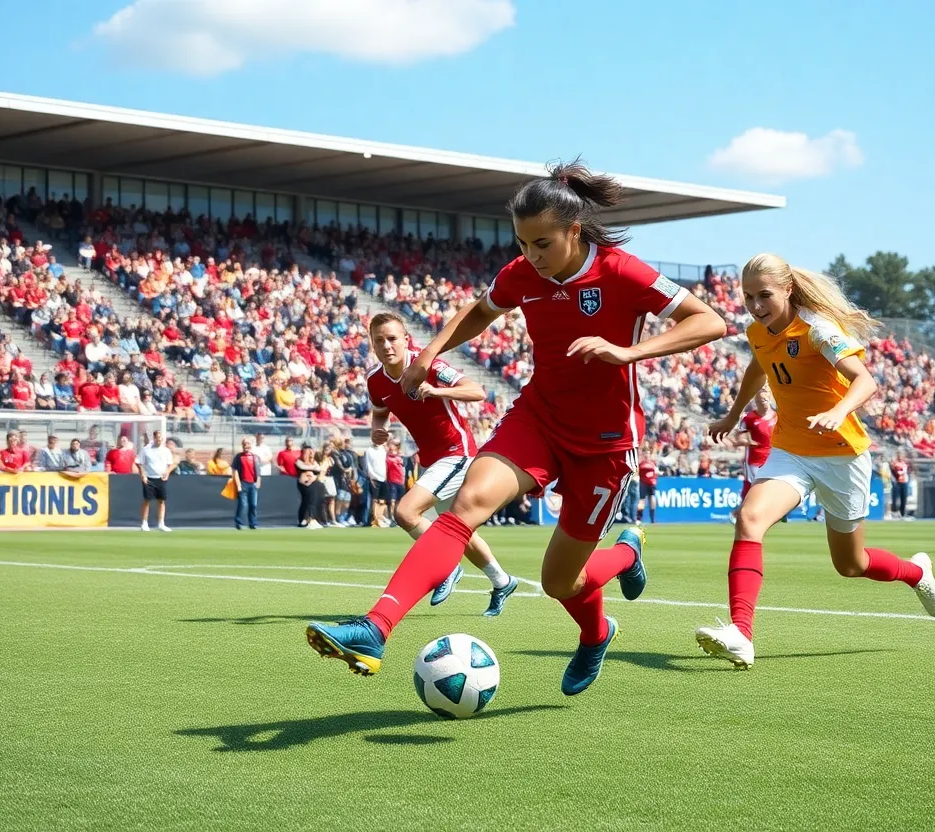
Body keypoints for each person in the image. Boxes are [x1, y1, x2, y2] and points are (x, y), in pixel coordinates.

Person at [307, 159, 726, 694]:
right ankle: (375, 627)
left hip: (605, 444)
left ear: (574, 231)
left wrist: (628, 351)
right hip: (538, 418)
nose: (531, 256)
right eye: (523, 243)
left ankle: (614, 585)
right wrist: (428, 352)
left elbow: (709, 320)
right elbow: (480, 311)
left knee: (559, 582)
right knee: (464, 509)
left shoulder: (623, 270)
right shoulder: (522, 273)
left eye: (543, 243)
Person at [696, 253, 935, 670]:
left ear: (788, 290)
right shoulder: (758, 331)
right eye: (748, 296)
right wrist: (734, 413)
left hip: (841, 454)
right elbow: (759, 366)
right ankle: (741, 634)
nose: (755, 305)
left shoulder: (818, 329)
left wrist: (839, 411)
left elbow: (866, 380)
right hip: (790, 450)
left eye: (764, 296)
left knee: (851, 564)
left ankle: (917, 573)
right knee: (749, 519)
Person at [363, 311, 519, 615]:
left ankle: (445, 568)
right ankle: (502, 581)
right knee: (461, 530)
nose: (387, 345)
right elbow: (380, 410)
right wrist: (377, 429)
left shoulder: (428, 366)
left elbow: (477, 391)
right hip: (432, 460)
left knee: (406, 513)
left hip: (457, 453)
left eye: (392, 338)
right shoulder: (375, 380)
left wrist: (436, 390)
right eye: (379, 340)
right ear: (372, 344)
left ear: (406, 339)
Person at [138, 429, 174, 532]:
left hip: (161, 478)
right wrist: (143, 475)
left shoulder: (166, 450)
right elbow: (139, 462)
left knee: (161, 501)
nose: (159, 441)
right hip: (149, 477)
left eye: (161, 439)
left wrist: (167, 473)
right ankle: (144, 523)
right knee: (147, 500)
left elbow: (170, 463)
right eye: (158, 439)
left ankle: (161, 523)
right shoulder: (146, 449)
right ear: (154, 438)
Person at [232, 437, 261, 530]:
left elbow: (258, 471)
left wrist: (258, 482)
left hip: (253, 483)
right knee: (243, 504)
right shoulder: (239, 457)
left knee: (253, 505)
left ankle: (253, 523)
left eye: (248, 443)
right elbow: (235, 471)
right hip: (243, 483)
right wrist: (238, 485)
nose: (246, 446)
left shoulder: (255, 457)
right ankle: (239, 522)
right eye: (244, 444)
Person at [295, 444, 324, 529]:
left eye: (311, 452)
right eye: (307, 452)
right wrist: (312, 468)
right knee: (306, 501)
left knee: (312, 501)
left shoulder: (314, 461)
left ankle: (310, 519)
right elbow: (302, 467)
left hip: (313, 483)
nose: (310, 454)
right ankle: (303, 519)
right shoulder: (298, 461)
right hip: (303, 483)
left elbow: (318, 469)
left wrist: (312, 475)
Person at [637, 453, 659, 523]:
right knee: (643, 500)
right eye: (646, 455)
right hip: (644, 483)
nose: (647, 456)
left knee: (651, 498)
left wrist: (654, 478)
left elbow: (656, 472)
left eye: (648, 455)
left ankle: (650, 519)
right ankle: (639, 518)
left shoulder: (652, 464)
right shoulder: (642, 464)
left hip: (650, 483)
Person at [889, 453, 910, 519]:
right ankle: (894, 512)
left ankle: (902, 513)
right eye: (899, 456)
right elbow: (897, 472)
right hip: (897, 482)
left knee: (904, 498)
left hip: (904, 482)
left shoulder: (905, 463)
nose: (900, 457)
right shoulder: (896, 464)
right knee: (895, 498)